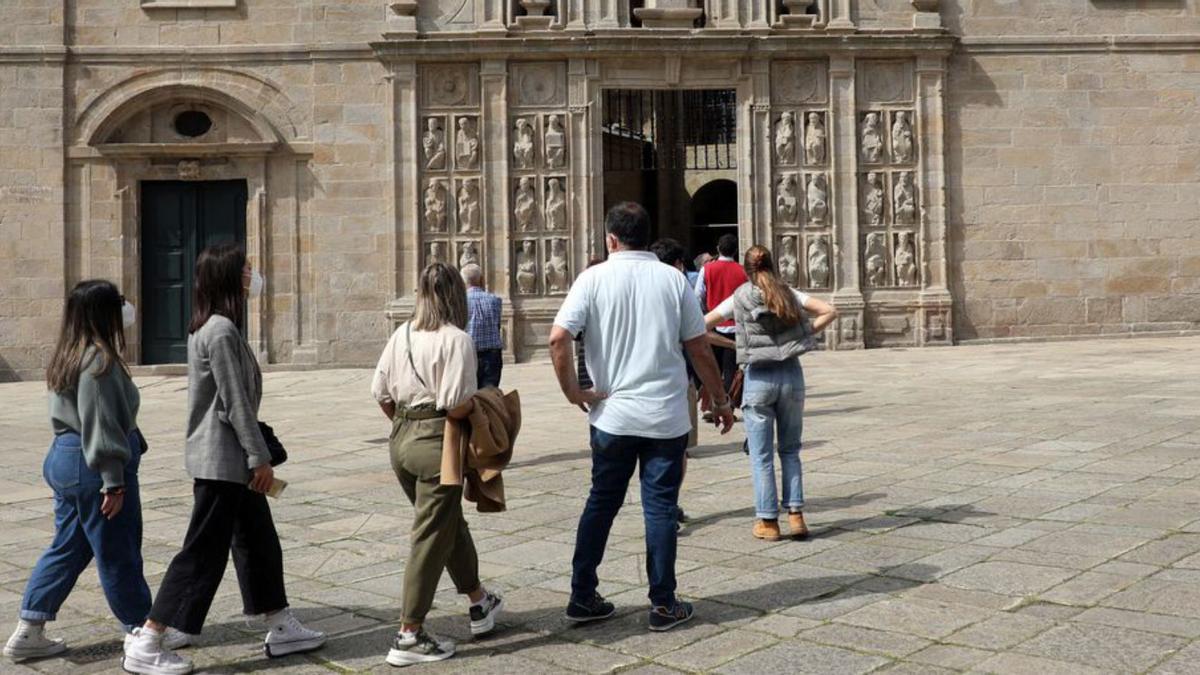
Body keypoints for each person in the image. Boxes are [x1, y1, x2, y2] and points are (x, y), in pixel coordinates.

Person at [124, 244, 325, 675]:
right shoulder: (220, 331)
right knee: (201, 553)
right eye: (246, 270)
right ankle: (151, 636)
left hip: (226, 460)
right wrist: (259, 458)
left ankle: (278, 621)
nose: (252, 276)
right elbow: (234, 404)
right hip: (224, 461)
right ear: (230, 278)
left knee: (258, 542)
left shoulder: (212, 327)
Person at [548, 203, 735, 633]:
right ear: (647, 237)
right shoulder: (672, 279)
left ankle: (582, 596)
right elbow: (699, 348)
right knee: (661, 509)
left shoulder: (591, 279)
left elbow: (558, 338)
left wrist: (574, 392)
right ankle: (663, 604)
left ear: (611, 239)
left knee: (600, 505)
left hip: (611, 417)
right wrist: (721, 401)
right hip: (665, 417)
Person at [4, 281, 180, 661]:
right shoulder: (98, 361)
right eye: (119, 302)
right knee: (119, 549)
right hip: (93, 467)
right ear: (105, 312)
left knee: (69, 545)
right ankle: (140, 629)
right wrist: (113, 482)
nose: (127, 308)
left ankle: (29, 628)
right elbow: (100, 424)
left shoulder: (68, 353)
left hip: (64, 459)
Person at [371, 262, 504, 667]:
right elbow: (456, 403)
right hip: (436, 443)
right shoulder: (456, 340)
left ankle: (479, 601)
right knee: (430, 537)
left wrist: (405, 426)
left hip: (401, 440)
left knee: (446, 523)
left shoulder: (402, 334)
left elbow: (380, 392)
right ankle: (409, 634)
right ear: (455, 296)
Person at [702, 245, 837, 542]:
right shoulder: (788, 293)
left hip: (758, 377)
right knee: (790, 450)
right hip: (791, 375)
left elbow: (702, 327)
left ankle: (767, 522)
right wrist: (802, 335)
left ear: (746, 270)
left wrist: (735, 346)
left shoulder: (739, 297)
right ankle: (796, 516)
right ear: (773, 265)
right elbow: (830, 310)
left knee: (761, 455)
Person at [648, 239, 700, 529]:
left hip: (631, 387)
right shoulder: (681, 287)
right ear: (680, 264)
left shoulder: (632, 287)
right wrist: (715, 394)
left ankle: (659, 507)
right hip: (676, 381)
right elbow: (697, 342)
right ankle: (667, 505)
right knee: (676, 451)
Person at [694, 233, 747, 401]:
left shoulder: (707, 269)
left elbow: (698, 295)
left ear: (718, 249)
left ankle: (712, 403)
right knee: (731, 367)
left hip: (713, 326)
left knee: (712, 366)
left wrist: (707, 312)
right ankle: (728, 402)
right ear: (736, 250)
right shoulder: (743, 271)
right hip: (736, 325)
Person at [461, 264, 504, 389]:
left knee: (470, 394)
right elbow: (497, 325)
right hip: (492, 354)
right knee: (490, 396)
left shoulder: (461, 302)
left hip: (469, 354)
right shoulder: (495, 300)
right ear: (481, 279)